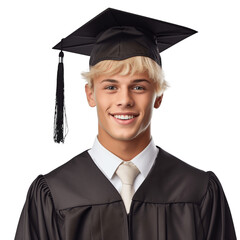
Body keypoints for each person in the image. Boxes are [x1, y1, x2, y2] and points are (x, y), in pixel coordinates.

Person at [14, 8, 237, 240]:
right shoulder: (54, 194)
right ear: (90, 95)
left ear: (159, 95)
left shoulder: (199, 192)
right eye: (111, 87)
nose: (124, 100)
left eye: (138, 87)